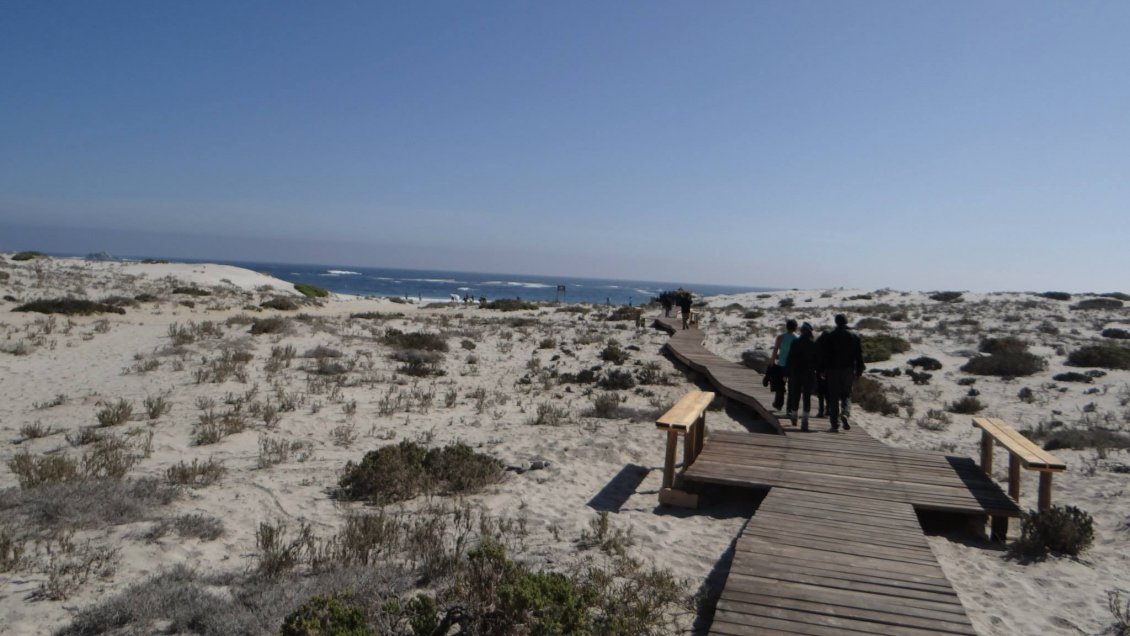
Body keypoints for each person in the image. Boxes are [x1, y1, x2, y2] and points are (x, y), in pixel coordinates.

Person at [817, 314, 865, 432]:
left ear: (836, 322)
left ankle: (835, 424)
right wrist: (859, 370)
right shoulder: (854, 336)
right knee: (846, 394)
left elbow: (825, 355)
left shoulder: (830, 335)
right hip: (848, 370)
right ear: (846, 322)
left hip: (833, 370)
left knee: (833, 397)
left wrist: (822, 369)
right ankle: (845, 412)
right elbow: (859, 355)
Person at [785, 322, 818, 431]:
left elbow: (790, 358)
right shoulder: (813, 344)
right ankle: (805, 420)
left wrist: (786, 372)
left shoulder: (795, 342)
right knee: (807, 397)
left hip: (796, 373)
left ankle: (794, 415)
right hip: (809, 373)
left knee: (796, 394)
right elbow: (817, 360)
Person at [769, 319, 798, 411]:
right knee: (791, 387)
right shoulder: (797, 338)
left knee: (780, 386)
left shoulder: (780, 337)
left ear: (787, 327)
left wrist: (772, 362)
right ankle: (789, 408)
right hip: (793, 366)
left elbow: (775, 350)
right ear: (796, 328)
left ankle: (778, 404)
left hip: (781, 364)